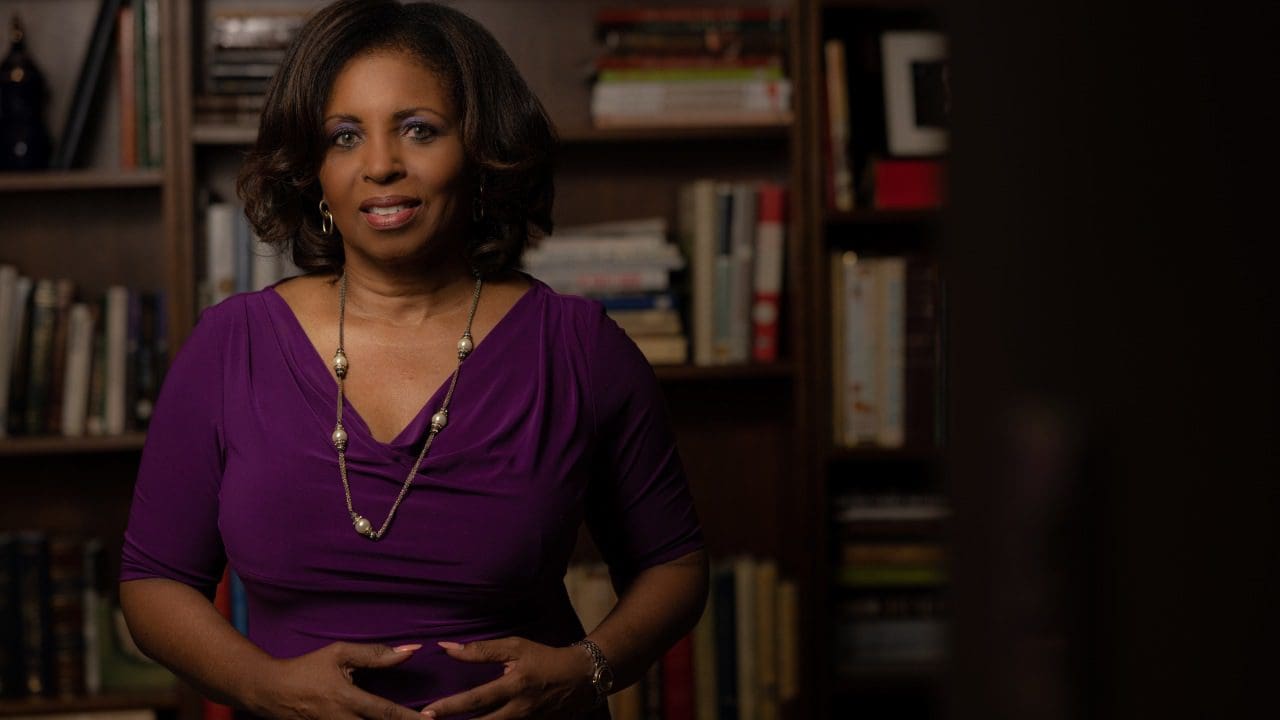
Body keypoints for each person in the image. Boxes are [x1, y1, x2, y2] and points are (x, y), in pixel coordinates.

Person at [118, 1, 708, 718]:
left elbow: (673, 566)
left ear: (482, 153)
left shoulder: (578, 347)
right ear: (314, 172)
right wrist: (259, 686)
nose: (381, 166)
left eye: (419, 130)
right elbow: (153, 579)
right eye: (344, 136)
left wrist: (584, 669)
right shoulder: (229, 347)